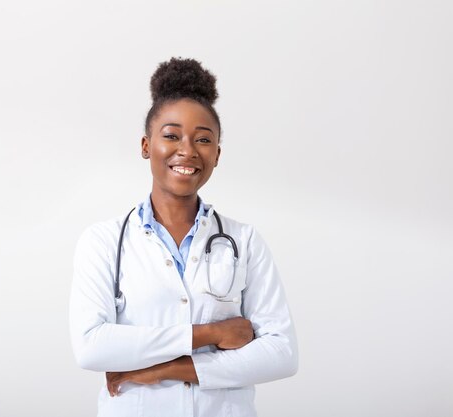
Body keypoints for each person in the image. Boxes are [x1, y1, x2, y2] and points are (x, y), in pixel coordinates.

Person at [69, 57, 298, 417]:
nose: (187, 150)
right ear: (146, 146)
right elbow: (91, 347)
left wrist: (169, 369)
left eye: (203, 139)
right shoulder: (103, 241)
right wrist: (209, 334)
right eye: (171, 135)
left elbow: (281, 353)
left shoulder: (245, 240)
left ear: (217, 154)